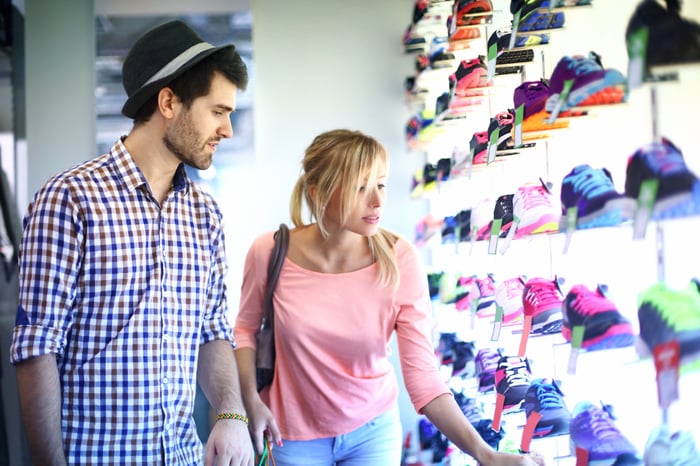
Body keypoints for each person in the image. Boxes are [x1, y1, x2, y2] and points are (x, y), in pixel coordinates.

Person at [9, 20, 255, 466]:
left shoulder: (205, 214)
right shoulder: (69, 199)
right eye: (218, 111)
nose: (228, 130)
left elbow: (213, 330)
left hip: (182, 456)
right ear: (168, 102)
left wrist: (230, 411)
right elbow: (36, 347)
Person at [233, 129, 546, 466]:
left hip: (373, 433)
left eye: (381, 185)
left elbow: (424, 378)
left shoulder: (400, 258)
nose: (378, 201)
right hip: (289, 435)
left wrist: (484, 454)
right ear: (319, 193)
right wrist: (250, 403)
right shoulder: (268, 252)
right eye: (361, 187)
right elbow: (245, 331)